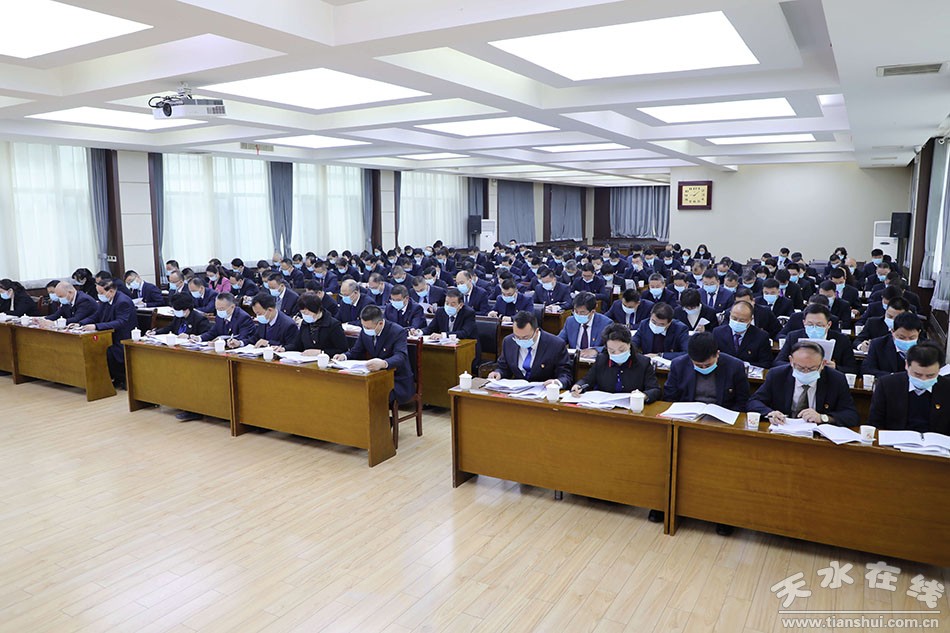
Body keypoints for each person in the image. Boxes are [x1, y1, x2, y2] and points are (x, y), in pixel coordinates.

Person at [747, 340, 859, 426]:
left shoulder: (836, 379)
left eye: (812, 369)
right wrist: (770, 413)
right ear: (791, 361)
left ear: (823, 364)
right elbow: (754, 402)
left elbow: (851, 415)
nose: (805, 372)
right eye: (800, 368)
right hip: (783, 429)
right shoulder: (777, 375)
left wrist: (822, 418)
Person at [333, 304, 414, 405]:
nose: (365, 329)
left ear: (380, 323)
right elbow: (356, 351)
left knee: (370, 395)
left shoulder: (397, 332)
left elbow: (401, 356)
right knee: (350, 390)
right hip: (375, 377)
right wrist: (344, 356)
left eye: (368, 327)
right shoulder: (365, 331)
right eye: (363, 326)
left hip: (396, 380)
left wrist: (383, 363)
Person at [867, 341, 949, 434]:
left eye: (930, 375)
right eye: (917, 374)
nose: (924, 379)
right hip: (895, 440)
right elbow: (875, 423)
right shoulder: (887, 385)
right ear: (906, 365)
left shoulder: (947, 388)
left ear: (939, 369)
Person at [571, 323, 660, 402]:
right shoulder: (601, 360)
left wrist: (644, 396)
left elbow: (655, 389)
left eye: (621, 350)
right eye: (612, 351)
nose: (617, 354)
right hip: (605, 408)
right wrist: (579, 385)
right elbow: (587, 380)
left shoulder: (643, 363)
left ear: (629, 344)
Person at [663, 332, 750, 411]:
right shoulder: (678, 365)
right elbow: (670, 396)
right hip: (687, 413)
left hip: (722, 413)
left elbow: (742, 400)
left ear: (717, 354)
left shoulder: (735, 366)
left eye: (708, 365)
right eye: (698, 365)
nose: (703, 368)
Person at [487, 311, 573, 389]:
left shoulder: (556, 344)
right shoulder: (509, 341)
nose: (520, 340)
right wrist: (498, 373)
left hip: (544, 392)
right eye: (517, 337)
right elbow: (503, 368)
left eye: (525, 337)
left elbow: (566, 375)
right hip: (517, 392)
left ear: (536, 331)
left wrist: (557, 383)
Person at [80, 279, 137, 389]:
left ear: (110, 291)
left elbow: (121, 322)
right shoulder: (106, 300)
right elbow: (96, 315)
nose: (99, 296)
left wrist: (96, 326)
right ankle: (105, 379)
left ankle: (119, 378)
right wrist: (80, 323)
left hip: (121, 337)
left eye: (101, 293)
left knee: (106, 350)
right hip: (109, 335)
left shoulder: (123, 301)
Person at [775, 304, 857, 373]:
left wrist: (835, 367)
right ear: (804, 323)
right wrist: (796, 365)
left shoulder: (842, 340)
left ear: (829, 324)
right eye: (810, 324)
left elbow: (853, 369)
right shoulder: (793, 337)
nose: (814, 328)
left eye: (819, 325)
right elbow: (778, 362)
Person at [284, 292, 348, 357]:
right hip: (307, 360)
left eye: (306, 313)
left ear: (317, 310)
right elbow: (297, 345)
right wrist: (284, 349)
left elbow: (342, 350)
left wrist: (321, 352)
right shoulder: (305, 323)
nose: (305, 316)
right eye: (302, 313)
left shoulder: (333, 325)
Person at [712, 302, 774, 368]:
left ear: (750, 320)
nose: (737, 322)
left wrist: (747, 365)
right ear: (730, 315)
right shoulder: (718, 332)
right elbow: (712, 357)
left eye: (742, 320)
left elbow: (766, 363)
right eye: (734, 319)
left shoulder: (761, 336)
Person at [863, 312, 924, 377]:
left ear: (919, 332)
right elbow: (867, 369)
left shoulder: (927, 349)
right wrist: (893, 377)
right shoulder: (878, 344)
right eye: (901, 337)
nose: (907, 341)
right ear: (892, 331)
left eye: (912, 338)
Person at [557, 291, 612, 359]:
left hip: (594, 361)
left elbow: (611, 346)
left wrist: (596, 350)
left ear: (592, 312)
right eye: (576, 311)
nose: (578, 315)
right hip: (574, 360)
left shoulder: (605, 323)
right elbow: (559, 341)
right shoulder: (570, 321)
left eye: (582, 312)